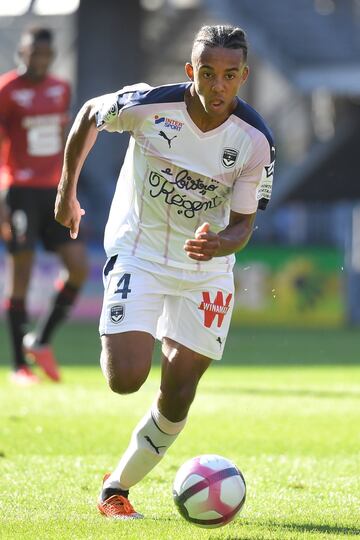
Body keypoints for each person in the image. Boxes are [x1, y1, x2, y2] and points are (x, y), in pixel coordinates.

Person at [55, 24, 275, 519]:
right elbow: (91, 113)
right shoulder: (149, 105)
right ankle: (139, 317)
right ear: (189, 71)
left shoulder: (255, 141)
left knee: (179, 391)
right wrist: (66, 189)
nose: (217, 86)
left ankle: (116, 488)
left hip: (207, 267)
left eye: (229, 75)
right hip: (141, 251)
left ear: (244, 76)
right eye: (207, 73)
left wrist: (221, 243)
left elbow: (243, 226)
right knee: (125, 377)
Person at [0, 27, 88, 385]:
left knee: (78, 267)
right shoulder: (6, 90)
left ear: (51, 55)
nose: (38, 59)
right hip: (19, 190)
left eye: (44, 54)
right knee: (21, 272)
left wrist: (70, 190)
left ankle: (41, 339)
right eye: (32, 52)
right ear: (21, 52)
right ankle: (20, 365)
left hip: (54, 192)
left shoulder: (61, 88)